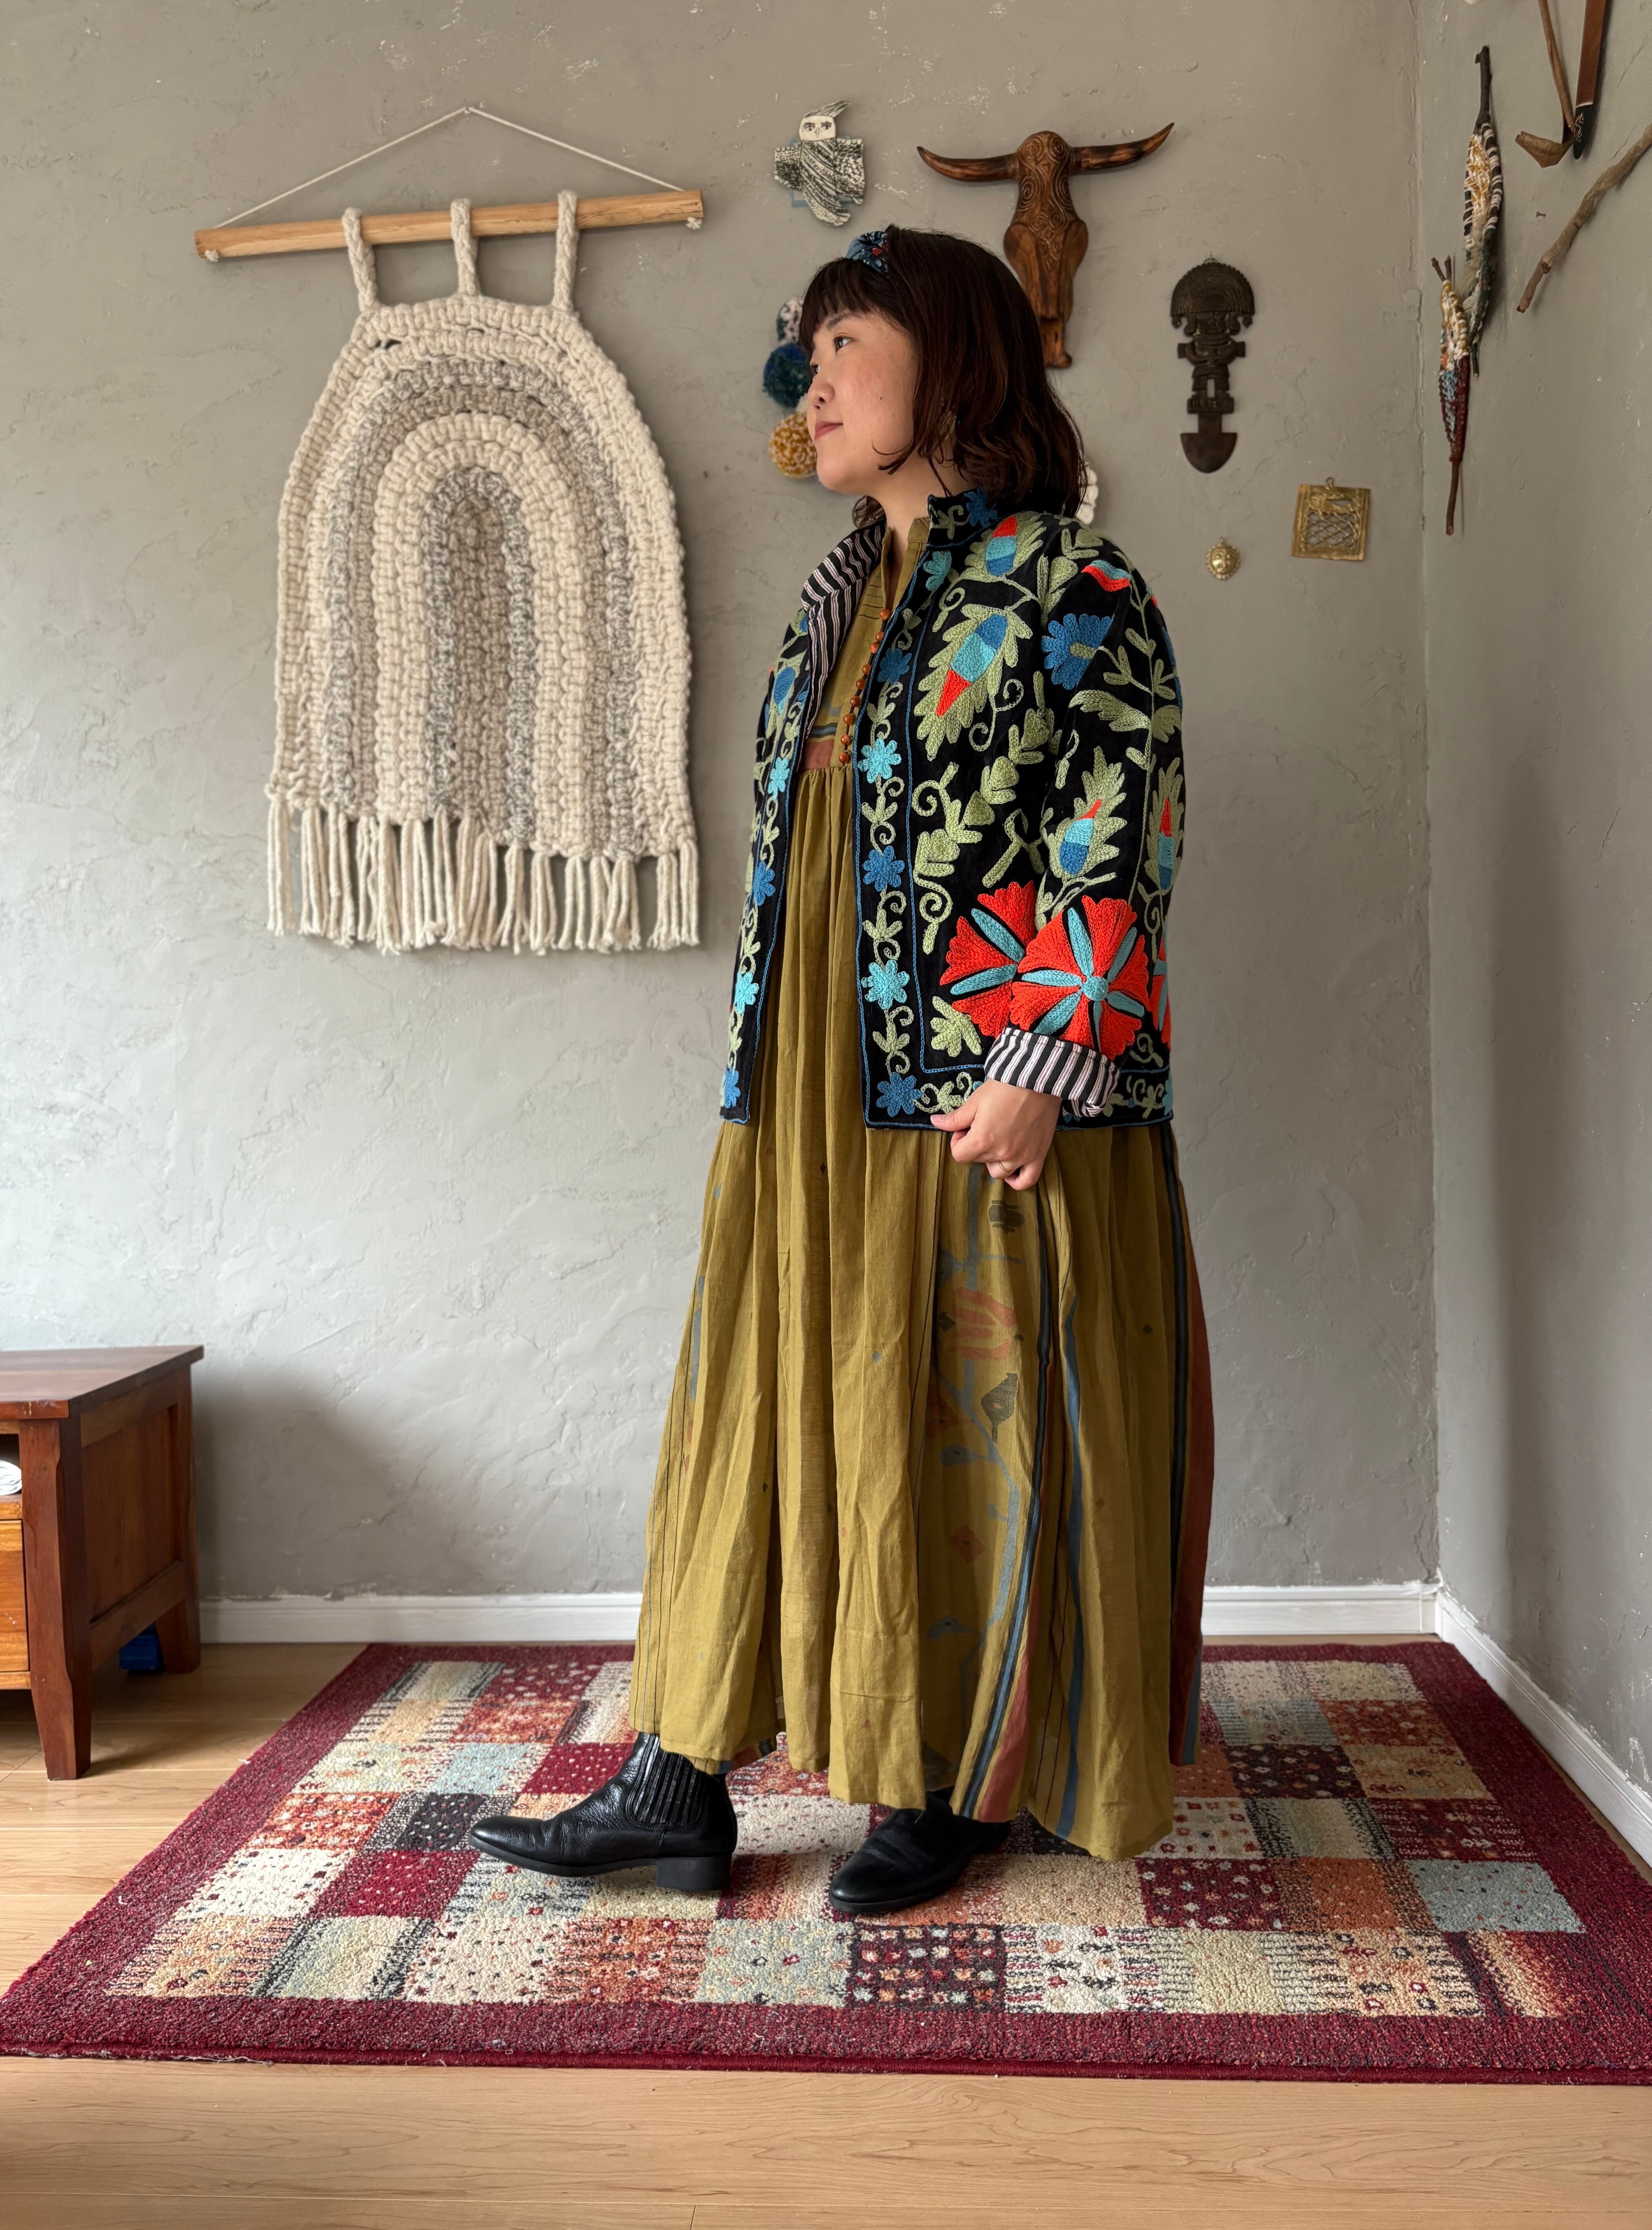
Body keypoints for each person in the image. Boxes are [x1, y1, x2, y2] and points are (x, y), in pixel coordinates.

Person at [471, 222, 1214, 1915]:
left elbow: (1125, 833)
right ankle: (677, 1780)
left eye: (843, 351)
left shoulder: (1072, 585)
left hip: (976, 1094)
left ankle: (949, 1778)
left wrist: (1047, 1054)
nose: (810, 389)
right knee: (758, 1405)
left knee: (958, 1428)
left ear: (950, 361)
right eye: (805, 360)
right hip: (802, 1092)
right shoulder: (839, 603)